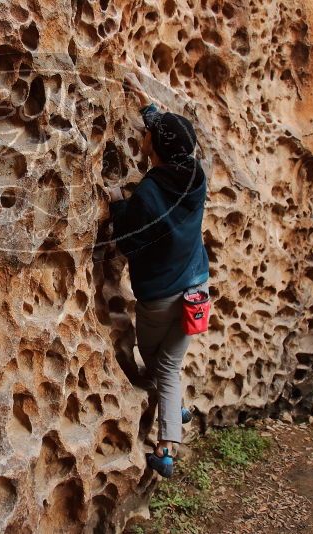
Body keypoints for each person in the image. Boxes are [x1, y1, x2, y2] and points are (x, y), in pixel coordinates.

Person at [108, 72, 210, 478]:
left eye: (148, 133)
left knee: (159, 364)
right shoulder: (195, 176)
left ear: (155, 147)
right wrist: (148, 107)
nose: (144, 135)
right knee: (172, 363)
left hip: (161, 299)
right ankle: (177, 408)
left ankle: (165, 449)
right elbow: (176, 137)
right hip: (197, 290)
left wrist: (117, 203)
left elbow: (127, 242)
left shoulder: (149, 194)